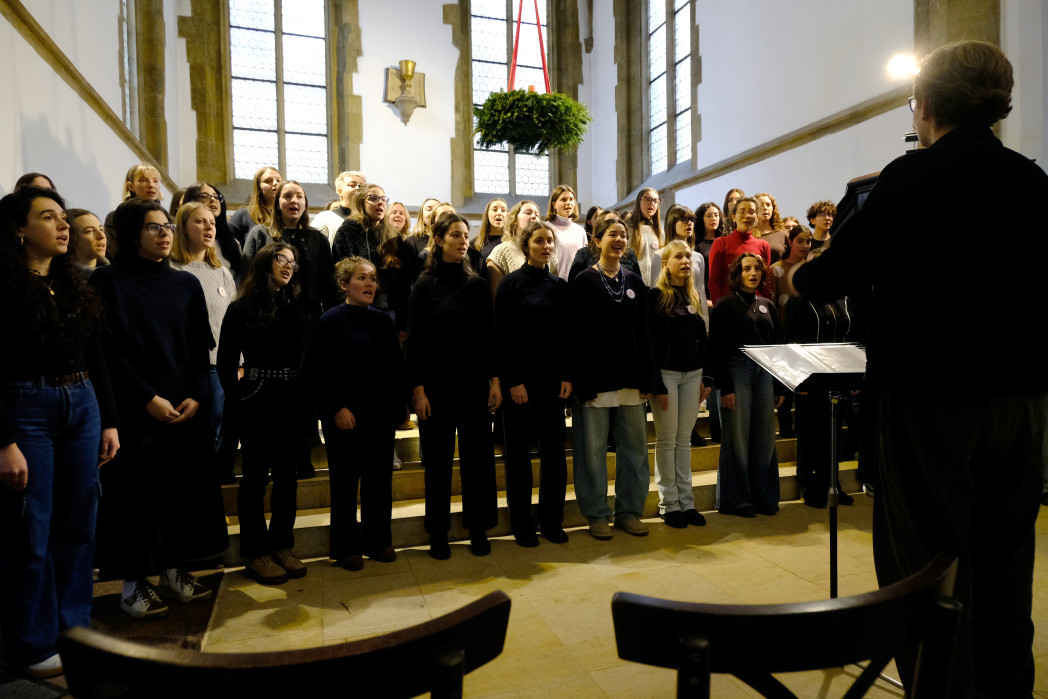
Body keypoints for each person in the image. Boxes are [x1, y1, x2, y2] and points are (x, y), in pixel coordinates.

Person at [793, 40, 1048, 698]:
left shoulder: (907, 180)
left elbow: (825, 279)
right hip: (1021, 400)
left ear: (927, 104)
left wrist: (807, 259)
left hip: (930, 398)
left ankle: (941, 689)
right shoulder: (1031, 181)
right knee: (1006, 560)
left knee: (927, 564)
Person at [0, 186, 118, 678]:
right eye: (49, 217)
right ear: (19, 229)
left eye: (63, 217)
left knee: (78, 523)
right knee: (33, 531)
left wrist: (109, 418)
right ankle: (33, 643)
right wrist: (4, 440)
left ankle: (75, 627)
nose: (63, 225)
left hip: (83, 403)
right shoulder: (4, 285)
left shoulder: (73, 283)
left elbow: (96, 355)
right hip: (27, 407)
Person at [90, 197, 227, 619]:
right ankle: (135, 584)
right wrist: (148, 399)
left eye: (167, 225)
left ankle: (175, 570)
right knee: (136, 499)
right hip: (136, 408)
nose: (164, 232)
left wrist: (199, 395)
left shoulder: (184, 282)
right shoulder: (106, 281)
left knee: (181, 494)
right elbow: (108, 351)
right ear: (133, 233)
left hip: (184, 405)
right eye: (153, 227)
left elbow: (200, 347)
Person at [407, 213, 501, 560]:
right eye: (456, 236)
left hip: (475, 384)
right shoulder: (423, 285)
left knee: (478, 461)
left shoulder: (476, 285)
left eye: (466, 236)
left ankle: (478, 528)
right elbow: (413, 343)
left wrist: (495, 381)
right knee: (438, 463)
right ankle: (438, 533)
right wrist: (417, 391)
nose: (463, 241)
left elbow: (489, 338)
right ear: (439, 239)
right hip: (436, 388)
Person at [218, 243, 312, 585]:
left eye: (293, 261)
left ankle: (281, 546)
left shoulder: (297, 305)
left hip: (293, 398)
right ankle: (256, 553)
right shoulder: (241, 308)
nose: (288, 266)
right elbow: (226, 364)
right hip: (257, 397)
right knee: (256, 479)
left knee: (287, 478)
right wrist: (240, 398)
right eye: (281, 259)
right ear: (264, 263)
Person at [307, 256, 408, 571]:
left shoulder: (381, 320)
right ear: (343, 285)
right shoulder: (330, 320)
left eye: (373, 278)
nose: (370, 284)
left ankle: (379, 541)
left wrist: (400, 407)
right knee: (346, 483)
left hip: (379, 415)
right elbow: (318, 371)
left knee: (379, 482)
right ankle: (346, 546)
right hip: (345, 416)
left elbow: (394, 368)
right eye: (362, 278)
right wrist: (336, 407)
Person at [570, 217, 657, 540]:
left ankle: (629, 512)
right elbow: (575, 337)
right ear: (597, 241)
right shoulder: (583, 281)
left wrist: (649, 379)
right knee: (591, 453)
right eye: (612, 235)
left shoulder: (634, 281)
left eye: (623, 235)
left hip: (632, 381)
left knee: (634, 450)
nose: (619, 240)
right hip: (596, 381)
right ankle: (596, 514)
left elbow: (646, 334)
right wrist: (581, 381)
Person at [494, 221, 572, 546]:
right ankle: (522, 523)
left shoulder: (559, 285)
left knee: (554, 455)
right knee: (519, 457)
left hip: (552, 383)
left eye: (549, 241)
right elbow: (502, 336)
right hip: (520, 385)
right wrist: (512, 380)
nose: (545, 246)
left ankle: (551, 521)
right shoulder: (510, 285)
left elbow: (569, 335)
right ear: (527, 246)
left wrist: (568, 375)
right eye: (538, 241)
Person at [709, 253, 782, 518]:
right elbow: (717, 349)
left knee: (765, 437)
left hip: (765, 372)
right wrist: (725, 387)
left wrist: (780, 386)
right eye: (747, 269)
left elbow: (777, 346)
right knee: (738, 437)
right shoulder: (725, 305)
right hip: (737, 369)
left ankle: (765, 496)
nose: (753, 273)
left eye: (757, 269)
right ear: (737, 274)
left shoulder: (767, 305)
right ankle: (737, 500)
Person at [169, 202, 237, 480]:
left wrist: (239, 361)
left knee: (216, 427)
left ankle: (207, 483)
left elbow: (233, 322)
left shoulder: (221, 272)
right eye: (200, 222)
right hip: (184, 365)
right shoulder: (172, 268)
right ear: (183, 227)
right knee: (188, 431)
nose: (209, 227)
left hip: (218, 364)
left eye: (212, 222)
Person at [648, 239, 711, 528]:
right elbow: (649, 344)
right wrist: (657, 384)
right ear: (666, 264)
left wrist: (706, 377)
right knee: (668, 439)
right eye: (679, 257)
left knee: (684, 440)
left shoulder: (693, 297)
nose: (686, 262)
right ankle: (668, 504)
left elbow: (703, 340)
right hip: (667, 376)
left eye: (689, 257)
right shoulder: (655, 297)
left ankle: (687, 502)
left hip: (692, 375)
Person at [331, 183, 419, 337]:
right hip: (354, 309)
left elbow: (403, 283)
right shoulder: (347, 231)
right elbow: (338, 274)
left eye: (383, 199)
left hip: (387, 311)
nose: (380, 202)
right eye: (373, 198)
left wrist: (403, 322)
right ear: (360, 203)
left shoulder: (393, 237)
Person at [243, 180, 336, 317]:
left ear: (305, 204)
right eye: (287, 196)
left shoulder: (319, 240)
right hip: (269, 314)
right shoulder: (260, 234)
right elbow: (247, 275)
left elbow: (328, 283)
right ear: (278, 204)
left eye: (299, 196)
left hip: (308, 318)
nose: (294, 200)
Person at [708, 197, 771, 303]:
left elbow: (765, 282)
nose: (747, 216)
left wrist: (768, 305)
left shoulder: (763, 245)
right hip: (729, 304)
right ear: (733, 217)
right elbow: (714, 281)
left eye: (751, 212)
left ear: (756, 217)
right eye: (742, 212)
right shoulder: (721, 243)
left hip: (755, 304)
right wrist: (718, 307)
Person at [650, 205, 708, 313]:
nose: (689, 223)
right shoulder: (659, 255)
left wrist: (706, 325)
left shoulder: (698, 257)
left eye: (692, 219)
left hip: (693, 311)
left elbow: (701, 292)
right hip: (668, 312)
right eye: (684, 219)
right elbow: (655, 290)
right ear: (672, 223)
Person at [183, 181, 242, 279]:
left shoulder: (232, 242)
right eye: (204, 196)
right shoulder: (181, 240)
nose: (213, 200)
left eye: (216, 197)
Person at [486, 199, 546, 295]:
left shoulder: (546, 250)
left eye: (536, 214)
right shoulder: (500, 252)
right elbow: (496, 298)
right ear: (515, 220)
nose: (534, 216)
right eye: (528, 213)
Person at [104, 163, 164, 258]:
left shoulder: (168, 220)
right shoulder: (115, 217)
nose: (151, 185)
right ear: (131, 186)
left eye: (155, 181)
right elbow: (113, 251)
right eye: (143, 180)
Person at [568, 209, 641, 283]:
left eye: (618, 222)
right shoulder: (584, 253)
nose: (614, 225)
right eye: (609, 223)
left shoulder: (630, 254)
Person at [229, 166, 282, 245]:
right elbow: (225, 243)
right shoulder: (244, 215)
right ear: (258, 187)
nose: (275, 183)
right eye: (268, 181)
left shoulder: (286, 215)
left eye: (278, 180)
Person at [312, 170, 366, 246]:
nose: (357, 188)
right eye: (352, 185)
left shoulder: (370, 220)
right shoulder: (324, 218)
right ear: (339, 191)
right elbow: (316, 248)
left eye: (361, 186)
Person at [545, 185, 587, 282]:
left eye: (571, 199)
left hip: (576, 283)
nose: (568, 203)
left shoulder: (580, 230)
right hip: (553, 282)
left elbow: (584, 260)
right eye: (564, 200)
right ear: (554, 205)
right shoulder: (546, 228)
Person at [623, 187, 663, 286]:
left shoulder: (658, 231)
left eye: (655, 201)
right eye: (648, 199)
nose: (652, 203)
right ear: (639, 201)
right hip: (632, 281)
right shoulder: (627, 227)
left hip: (655, 283)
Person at [694, 202, 723, 305]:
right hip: (705, 299)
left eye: (716, 215)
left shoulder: (724, 242)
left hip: (725, 296)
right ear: (701, 219)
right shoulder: (695, 245)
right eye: (709, 216)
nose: (713, 218)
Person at [67, 208, 109, 274]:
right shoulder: (60, 281)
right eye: (89, 231)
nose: (101, 236)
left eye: (101, 229)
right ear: (70, 238)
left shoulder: (116, 276)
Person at [752, 192, 787, 263]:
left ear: (773, 209)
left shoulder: (783, 235)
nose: (765, 208)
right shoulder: (749, 236)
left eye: (768, 205)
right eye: (760, 205)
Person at [473, 197, 507, 261]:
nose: (499, 213)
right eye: (495, 209)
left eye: (503, 210)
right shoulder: (474, 243)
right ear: (487, 215)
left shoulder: (513, 242)